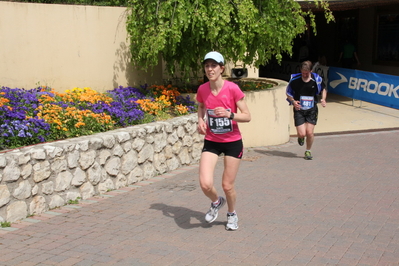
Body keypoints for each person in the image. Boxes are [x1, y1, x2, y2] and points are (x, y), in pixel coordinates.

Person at [196, 51, 251, 231]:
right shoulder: (203, 89)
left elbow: (247, 116)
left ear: (221, 68)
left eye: (213, 66)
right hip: (211, 140)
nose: (210, 69)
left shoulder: (232, 89)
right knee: (205, 183)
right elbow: (202, 106)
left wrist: (230, 114)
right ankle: (216, 201)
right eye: (207, 66)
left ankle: (232, 213)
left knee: (227, 185)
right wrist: (200, 120)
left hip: (232, 142)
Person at [286, 60, 327, 160]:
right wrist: (293, 101)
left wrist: (323, 99)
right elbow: (288, 92)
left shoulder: (316, 79)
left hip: (312, 109)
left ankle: (308, 151)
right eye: (303, 73)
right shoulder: (295, 79)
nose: (304, 75)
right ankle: (300, 137)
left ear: (311, 71)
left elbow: (323, 89)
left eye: (306, 73)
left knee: (309, 132)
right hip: (299, 109)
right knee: (302, 133)